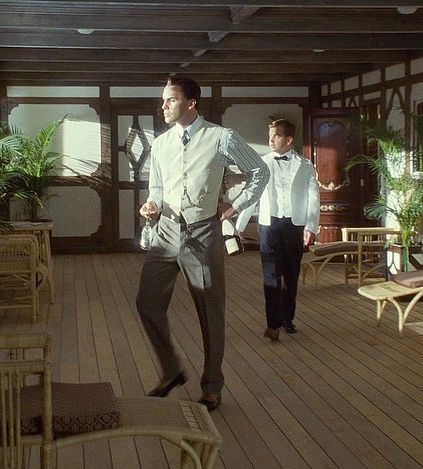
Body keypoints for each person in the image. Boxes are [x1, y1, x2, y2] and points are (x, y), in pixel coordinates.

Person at [136, 77, 269, 411]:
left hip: (203, 232)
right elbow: (156, 189)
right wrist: (152, 205)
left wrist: (236, 205)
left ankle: (211, 386)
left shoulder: (221, 137)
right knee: (147, 302)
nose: (163, 106)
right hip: (166, 231)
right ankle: (171, 370)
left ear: (191, 103)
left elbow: (259, 172)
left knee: (210, 312)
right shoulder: (161, 143)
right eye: (163, 100)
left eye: (170, 100)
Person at [236, 119, 320, 341]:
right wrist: (239, 225)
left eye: (276, 135)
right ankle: (272, 324)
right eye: (270, 135)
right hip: (269, 225)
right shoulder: (262, 164)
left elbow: (313, 198)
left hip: (294, 225)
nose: (270, 140)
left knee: (291, 275)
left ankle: (287, 318)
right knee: (271, 275)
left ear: (289, 139)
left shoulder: (305, 165)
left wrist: (311, 226)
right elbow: (252, 195)